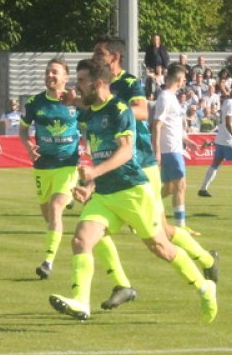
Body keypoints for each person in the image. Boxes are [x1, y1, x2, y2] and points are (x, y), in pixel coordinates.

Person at [48, 58, 217, 323]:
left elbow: (126, 152)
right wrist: (90, 186)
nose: (77, 86)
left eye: (81, 81)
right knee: (81, 239)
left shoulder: (119, 110)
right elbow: (102, 154)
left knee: (161, 247)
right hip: (105, 194)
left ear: (99, 83)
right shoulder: (91, 112)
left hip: (132, 192)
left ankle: (204, 286)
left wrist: (94, 174)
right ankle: (81, 303)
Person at [92, 38, 217, 287]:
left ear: (115, 57)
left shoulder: (127, 82)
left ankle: (205, 264)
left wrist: (112, 110)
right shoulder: (100, 84)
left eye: (100, 53)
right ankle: (204, 261)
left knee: (159, 232)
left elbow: (141, 111)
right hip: (122, 167)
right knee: (103, 229)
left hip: (141, 162)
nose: (95, 56)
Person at [20, 59, 130, 301]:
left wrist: (89, 150)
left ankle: (47, 261)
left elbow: (91, 125)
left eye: (55, 72)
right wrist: (29, 146)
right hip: (42, 167)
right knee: (49, 215)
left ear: (65, 78)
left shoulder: (76, 104)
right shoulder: (34, 103)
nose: (50, 75)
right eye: (48, 71)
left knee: (57, 208)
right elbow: (23, 129)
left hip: (68, 165)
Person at [151, 64, 204, 232]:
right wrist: (157, 150)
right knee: (180, 184)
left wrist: (186, 140)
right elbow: (157, 125)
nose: (184, 82)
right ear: (180, 80)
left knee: (170, 188)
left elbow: (172, 125)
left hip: (175, 147)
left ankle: (144, 208)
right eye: (184, 79)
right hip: (169, 149)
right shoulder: (165, 97)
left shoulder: (172, 97)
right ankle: (181, 226)